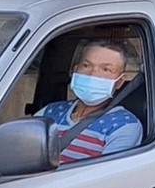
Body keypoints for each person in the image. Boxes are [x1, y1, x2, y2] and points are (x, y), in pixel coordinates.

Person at [40, 35, 143, 165]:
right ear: (75, 70)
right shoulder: (49, 112)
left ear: (119, 82)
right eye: (86, 65)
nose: (93, 74)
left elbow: (106, 178)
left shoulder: (124, 126)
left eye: (106, 69)